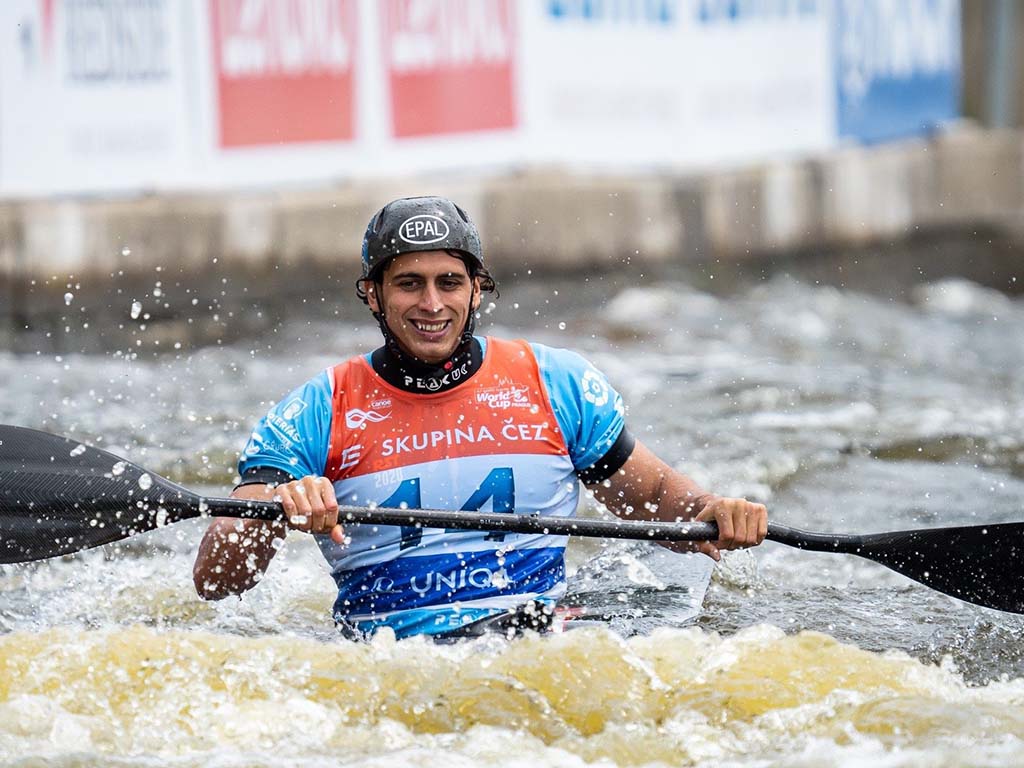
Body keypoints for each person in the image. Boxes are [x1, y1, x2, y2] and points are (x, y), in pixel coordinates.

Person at [193, 196, 767, 640]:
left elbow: (658, 500)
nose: (432, 305)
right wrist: (274, 513)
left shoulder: (555, 382)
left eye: (450, 282)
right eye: (409, 284)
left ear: (476, 290)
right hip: (388, 663)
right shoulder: (315, 410)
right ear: (372, 294)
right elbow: (217, 581)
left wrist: (712, 512)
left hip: (536, 647)